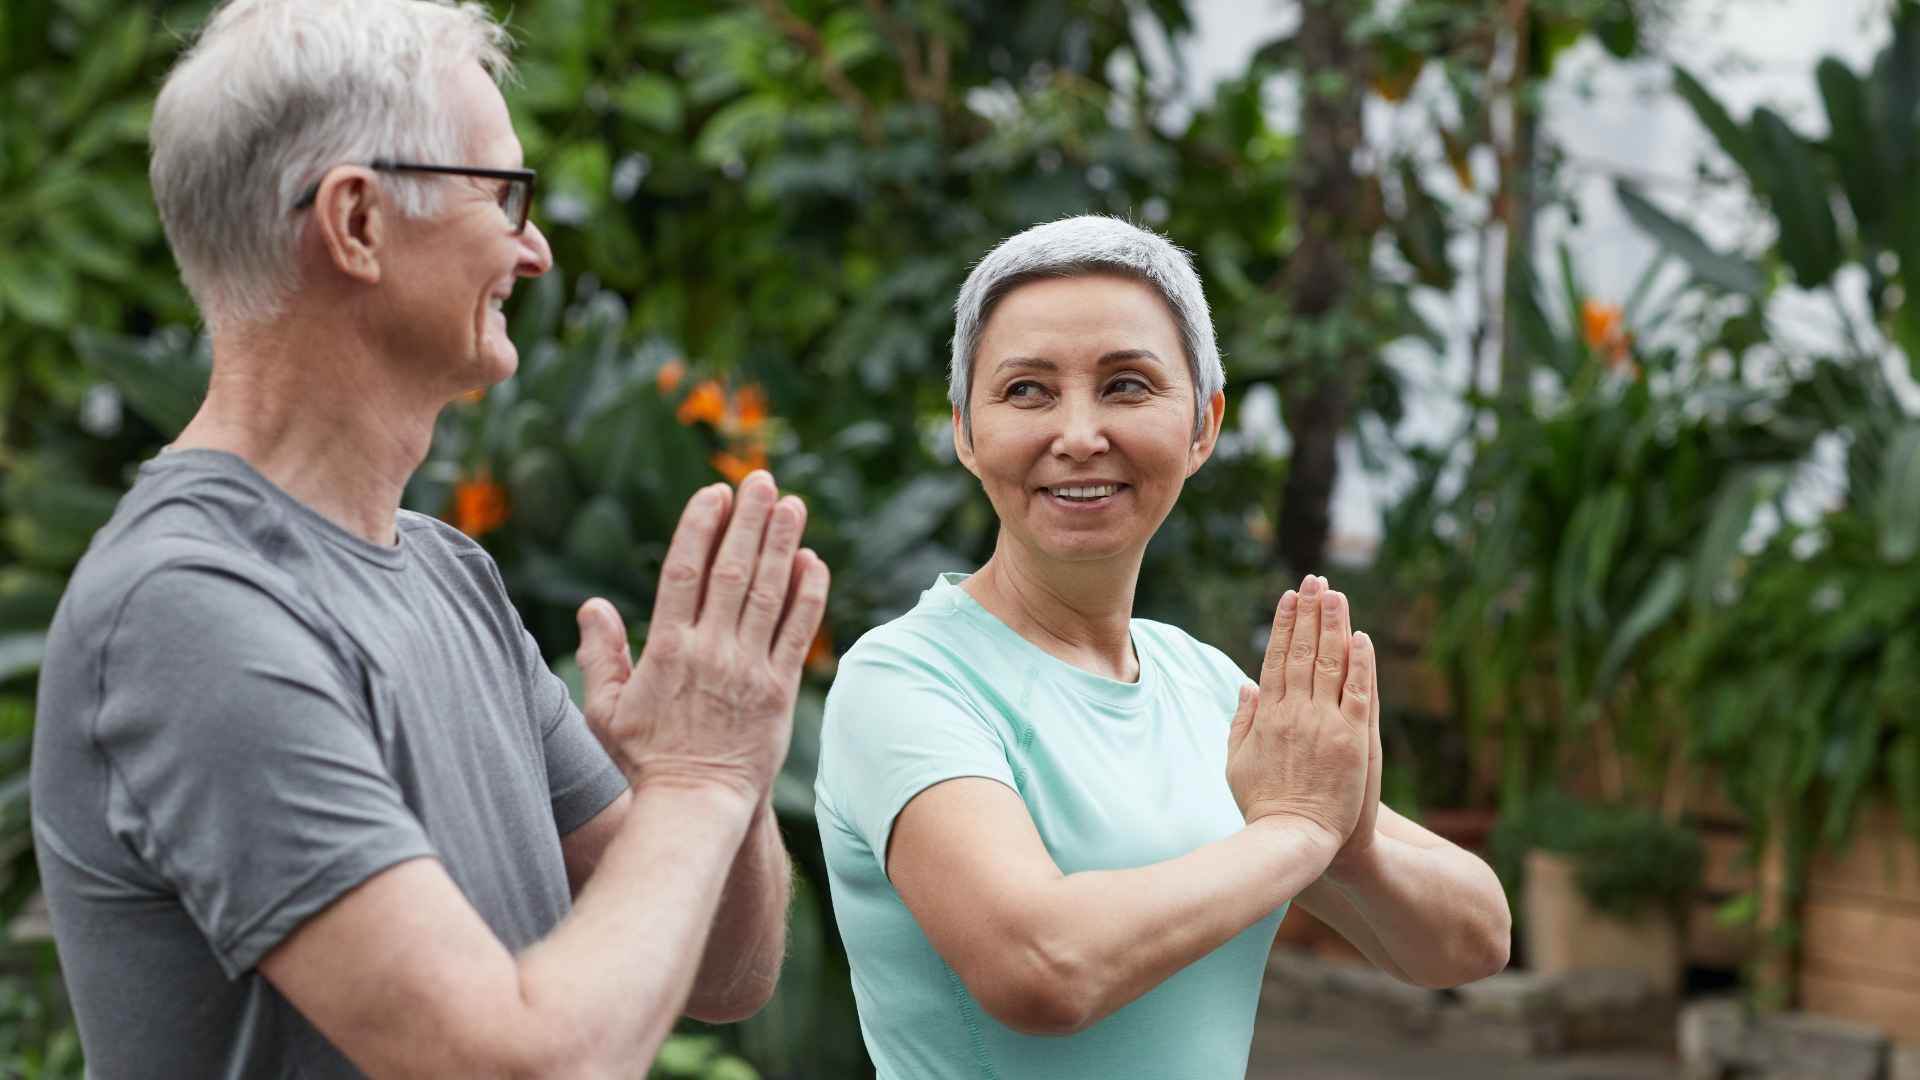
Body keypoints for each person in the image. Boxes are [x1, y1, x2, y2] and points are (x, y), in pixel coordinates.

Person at [29, 1, 829, 1075]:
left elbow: (723, 977)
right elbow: (517, 1064)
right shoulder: (186, 608)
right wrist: (699, 779)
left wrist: (722, 771)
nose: (534, 248)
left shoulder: (452, 574)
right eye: (505, 194)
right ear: (357, 222)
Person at [814, 215, 1512, 1078]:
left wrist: (1350, 839)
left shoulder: (1201, 685)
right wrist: (1295, 831)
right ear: (966, 430)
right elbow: (1042, 968)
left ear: (1203, 426)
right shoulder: (907, 681)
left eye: (1127, 385)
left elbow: (1474, 938)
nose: (1077, 434)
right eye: (1027, 390)